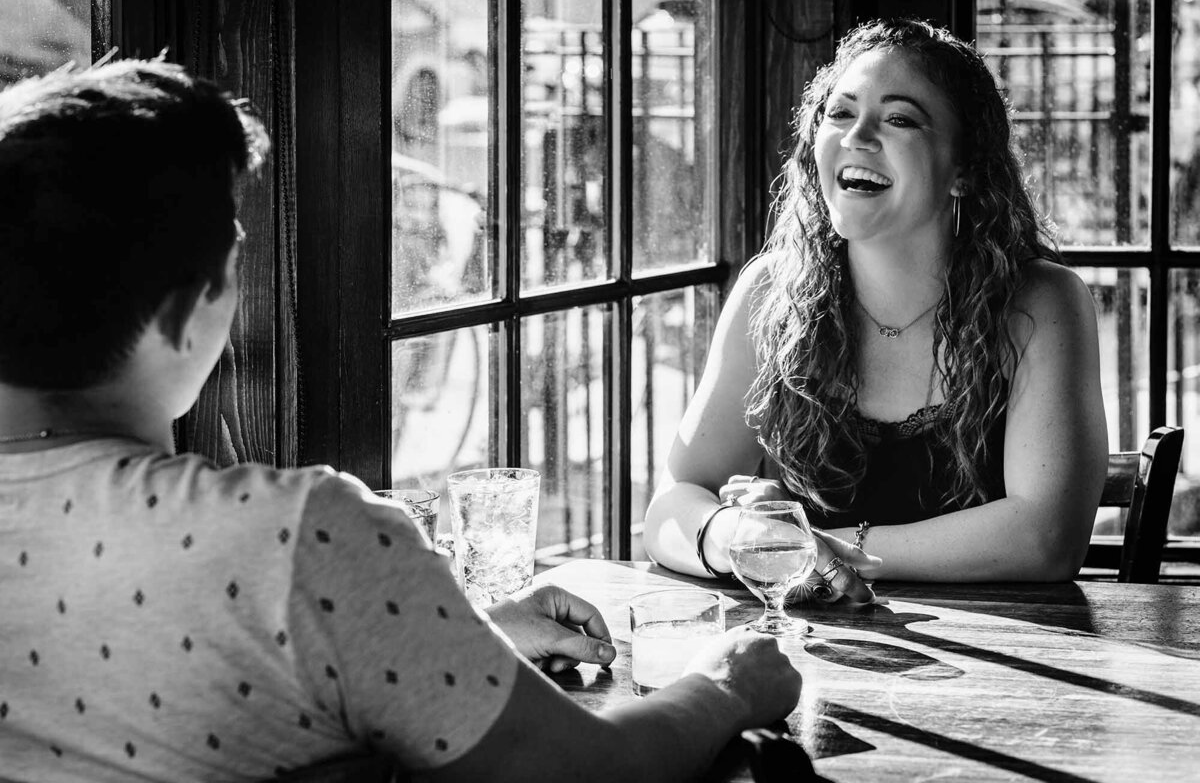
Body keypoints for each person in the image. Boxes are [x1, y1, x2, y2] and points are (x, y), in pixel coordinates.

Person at [0, 59, 801, 781]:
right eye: (236, 265)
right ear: (184, 316)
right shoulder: (299, 536)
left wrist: (449, 636)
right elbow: (591, 770)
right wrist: (728, 683)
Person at [644, 18, 1108, 602]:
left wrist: (829, 548)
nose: (857, 136)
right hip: (809, 661)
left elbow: (1047, 539)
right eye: (839, 114)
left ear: (963, 169)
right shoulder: (771, 292)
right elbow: (672, 504)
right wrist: (734, 533)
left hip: (1016, 666)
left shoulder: (1040, 303)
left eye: (898, 119)